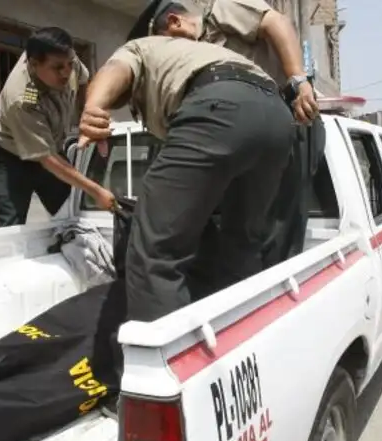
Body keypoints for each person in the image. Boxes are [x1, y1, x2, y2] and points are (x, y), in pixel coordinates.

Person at [78, 35, 295, 324]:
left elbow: (114, 70)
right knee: (242, 242)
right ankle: (241, 332)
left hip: (219, 104)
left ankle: (165, 358)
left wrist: (93, 107)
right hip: (279, 117)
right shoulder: (204, 52)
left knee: (156, 252)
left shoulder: (144, 45)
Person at [0, 26, 116, 227]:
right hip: (12, 158)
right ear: (35, 64)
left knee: (71, 212)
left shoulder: (66, 60)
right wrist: (96, 191)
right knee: (11, 228)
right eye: (58, 68)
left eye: (69, 64)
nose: (66, 72)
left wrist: (88, 115)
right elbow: (47, 159)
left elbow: (83, 81)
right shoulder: (22, 99)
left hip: (50, 148)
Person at [125, 0, 319, 124]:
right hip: (257, 123)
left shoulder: (219, 11)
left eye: (167, 44)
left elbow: (276, 23)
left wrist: (298, 80)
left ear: (175, 22)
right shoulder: (194, 61)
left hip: (292, 112)